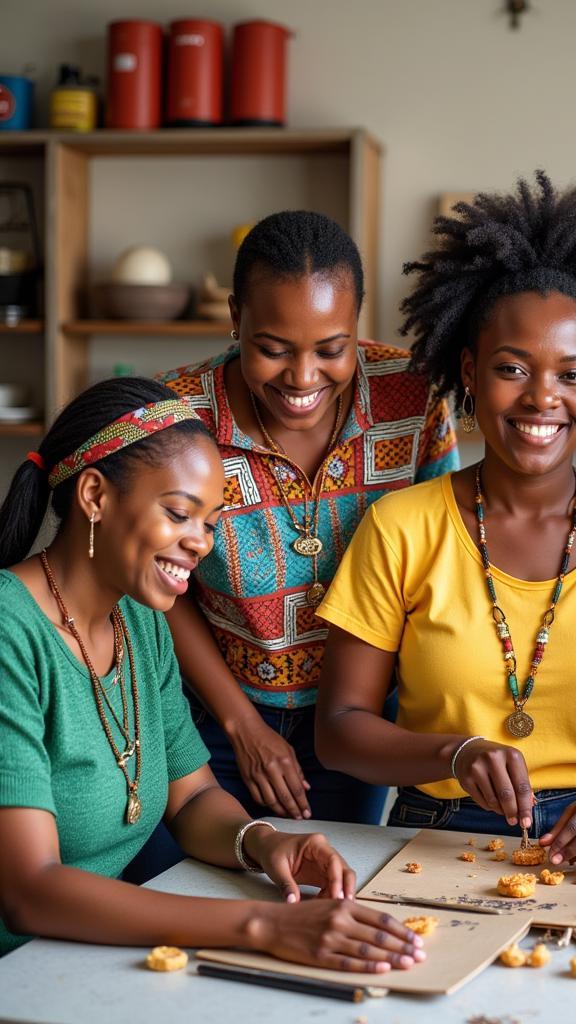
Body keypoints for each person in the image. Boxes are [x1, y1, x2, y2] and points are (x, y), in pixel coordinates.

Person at [314, 172, 576, 868]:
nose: (542, 398)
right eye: (513, 368)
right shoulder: (400, 526)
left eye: (571, 375)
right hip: (434, 835)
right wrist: (457, 749)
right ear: (470, 372)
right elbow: (340, 730)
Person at [0, 378, 425, 970]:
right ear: (94, 495)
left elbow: (192, 794)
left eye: (211, 521)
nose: (200, 543)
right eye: (179, 514)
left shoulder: (137, 620)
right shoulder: (8, 631)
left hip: (81, 957)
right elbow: (29, 890)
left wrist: (265, 842)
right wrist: (264, 924)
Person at [155, 211, 458, 848]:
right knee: (210, 887)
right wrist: (242, 725)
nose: (301, 377)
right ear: (235, 316)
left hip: (362, 717)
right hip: (209, 714)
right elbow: (160, 584)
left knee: (331, 886)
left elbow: (439, 554)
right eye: (272, 349)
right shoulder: (178, 415)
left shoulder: (414, 396)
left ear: (357, 322)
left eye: (331, 348)